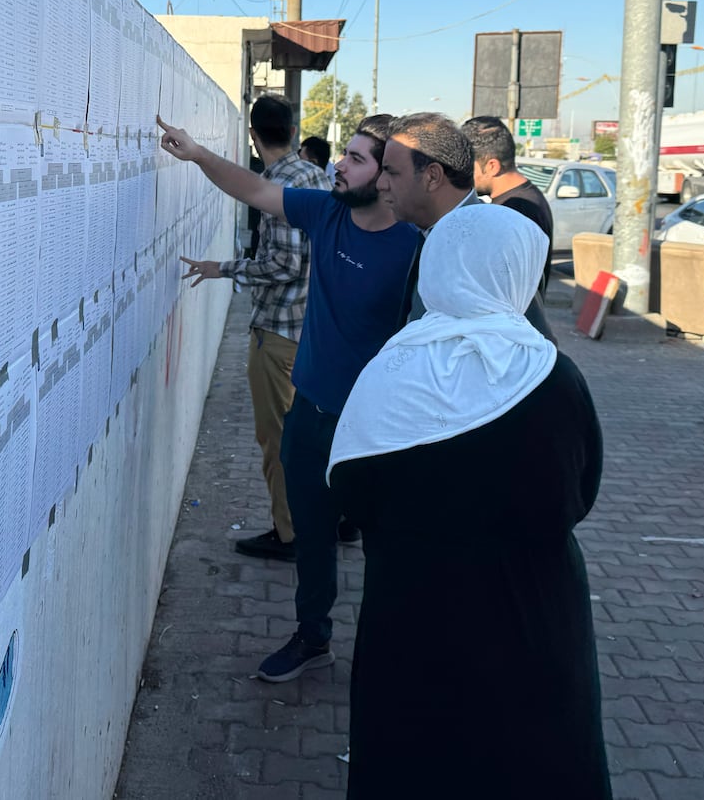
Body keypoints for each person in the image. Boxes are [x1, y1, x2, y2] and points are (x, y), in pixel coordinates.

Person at [328, 206, 609, 798]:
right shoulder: (553, 377)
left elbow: (350, 492)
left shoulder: (390, 371)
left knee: (415, 759)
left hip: (413, 620)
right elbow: (579, 495)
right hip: (533, 620)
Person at [156, 112, 417, 683]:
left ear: (387, 175)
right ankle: (312, 636)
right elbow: (253, 187)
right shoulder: (326, 212)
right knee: (313, 534)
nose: (339, 166)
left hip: (379, 428)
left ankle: (391, 653)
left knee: (389, 546)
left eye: (355, 158)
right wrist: (198, 154)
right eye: (343, 154)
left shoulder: (415, 248)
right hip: (312, 412)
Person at [178, 95, 330, 563]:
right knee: (299, 437)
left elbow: (283, 263)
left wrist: (222, 268)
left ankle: (291, 535)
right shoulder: (313, 174)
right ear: (292, 129)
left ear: (253, 135)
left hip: (279, 334)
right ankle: (308, 526)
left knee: (278, 441)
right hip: (307, 328)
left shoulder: (282, 182)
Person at [376, 112, 555, 341]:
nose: (381, 184)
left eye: (391, 172)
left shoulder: (488, 242)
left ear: (432, 176)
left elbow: (533, 344)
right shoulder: (429, 231)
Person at [462, 115, 554, 293]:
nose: (463, 174)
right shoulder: (525, 199)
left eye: (468, 167)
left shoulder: (517, 209)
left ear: (492, 166)